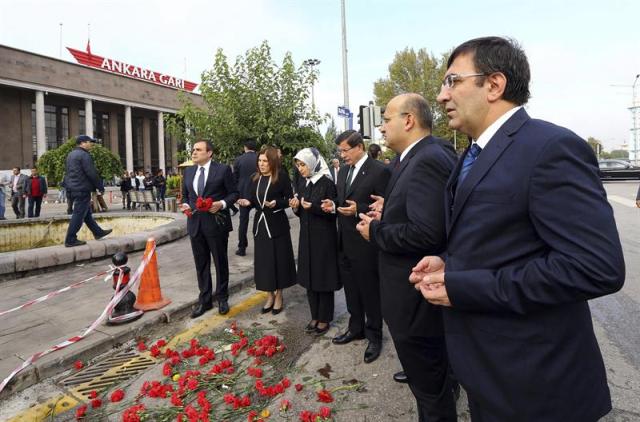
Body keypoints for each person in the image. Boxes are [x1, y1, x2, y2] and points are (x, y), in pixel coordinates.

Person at [410, 36, 626, 421]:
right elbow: (500, 241)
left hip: (537, 385)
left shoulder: (550, 148)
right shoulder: (470, 155)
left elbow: (596, 268)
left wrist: (465, 287)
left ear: (494, 85)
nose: (441, 96)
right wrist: (448, 265)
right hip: (487, 374)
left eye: (452, 81)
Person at [356, 93, 458, 421]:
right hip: (414, 299)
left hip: (415, 300)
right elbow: (427, 210)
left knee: (431, 394)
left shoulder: (427, 158)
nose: (382, 127)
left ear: (409, 120)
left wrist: (377, 231)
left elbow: (428, 233)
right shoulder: (418, 156)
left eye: (386, 119)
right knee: (434, 384)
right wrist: (394, 208)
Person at [320, 130, 390, 364]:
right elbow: (343, 201)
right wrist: (333, 205)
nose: (342, 155)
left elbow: (385, 207)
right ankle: (356, 327)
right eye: (340, 150)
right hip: (345, 241)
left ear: (359, 146)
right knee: (351, 289)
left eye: (345, 150)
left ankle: (374, 336)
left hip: (366, 243)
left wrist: (358, 209)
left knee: (370, 291)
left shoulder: (379, 171)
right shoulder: (343, 171)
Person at [180, 139, 239, 318]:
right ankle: (205, 300)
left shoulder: (222, 170)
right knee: (201, 263)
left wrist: (221, 204)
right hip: (195, 224)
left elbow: (234, 193)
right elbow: (186, 195)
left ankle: (222, 297)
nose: (194, 153)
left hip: (216, 223)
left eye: (198, 150)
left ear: (209, 152)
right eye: (193, 150)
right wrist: (185, 205)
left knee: (220, 261)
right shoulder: (189, 171)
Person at [237, 146, 296, 314]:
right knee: (264, 262)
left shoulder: (281, 178)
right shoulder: (254, 178)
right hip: (260, 226)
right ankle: (269, 294)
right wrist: (247, 203)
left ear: (273, 162)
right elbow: (252, 199)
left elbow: (289, 200)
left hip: (277, 224)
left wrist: (277, 203)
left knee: (279, 260)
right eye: (260, 161)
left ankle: (279, 295)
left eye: (265, 161)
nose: (261, 164)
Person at [290, 148, 340, 336]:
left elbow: (332, 211)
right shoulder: (304, 184)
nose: (300, 169)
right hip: (307, 237)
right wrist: (296, 208)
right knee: (310, 278)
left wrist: (315, 208)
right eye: (298, 165)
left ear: (313, 163)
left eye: (303, 164)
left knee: (323, 278)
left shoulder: (327, 183)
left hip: (324, 238)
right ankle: (315, 315)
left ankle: (325, 317)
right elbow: (302, 211)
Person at [64, 135, 112, 247]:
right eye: (89, 142)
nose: (91, 144)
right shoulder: (84, 155)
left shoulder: (71, 154)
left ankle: (98, 232)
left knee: (86, 213)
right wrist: (100, 186)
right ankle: (70, 239)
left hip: (72, 188)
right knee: (79, 214)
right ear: (82, 143)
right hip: (81, 188)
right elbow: (91, 173)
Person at [233, 138, 258, 256]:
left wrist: (236, 195)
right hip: (259, 193)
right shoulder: (260, 159)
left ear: (245, 148)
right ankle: (261, 244)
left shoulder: (238, 160)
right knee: (260, 219)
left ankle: (242, 247)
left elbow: (235, 179)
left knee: (243, 221)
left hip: (243, 194)